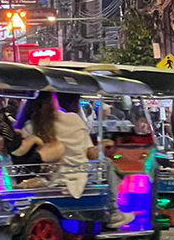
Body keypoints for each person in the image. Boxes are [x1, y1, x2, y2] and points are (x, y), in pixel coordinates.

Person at [18, 92, 134, 229]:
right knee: (107, 164)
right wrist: (105, 144)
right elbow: (90, 153)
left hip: (49, 176)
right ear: (55, 103)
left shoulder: (29, 127)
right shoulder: (73, 119)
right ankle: (113, 212)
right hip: (78, 174)